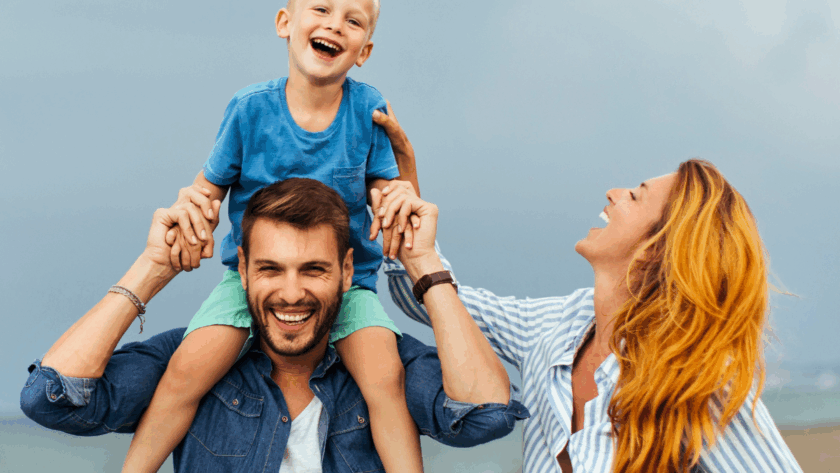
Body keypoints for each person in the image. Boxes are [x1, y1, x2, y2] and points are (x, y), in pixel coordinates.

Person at [20, 177, 527, 472]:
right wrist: (153, 269)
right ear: (241, 270)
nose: (291, 293)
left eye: (314, 269)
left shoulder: (384, 365)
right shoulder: (191, 359)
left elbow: (484, 417)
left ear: (347, 272)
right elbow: (50, 399)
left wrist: (424, 265)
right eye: (270, 269)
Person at [373, 133, 802, 471]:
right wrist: (405, 203)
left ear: (658, 248)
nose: (614, 192)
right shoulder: (556, 326)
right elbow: (437, 304)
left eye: (635, 195)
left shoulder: (701, 380)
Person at [124, 0, 424, 471]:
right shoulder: (250, 109)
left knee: (385, 380)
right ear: (285, 23)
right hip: (252, 284)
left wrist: (399, 196)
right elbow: (208, 188)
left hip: (349, 284)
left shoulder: (368, 109)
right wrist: (191, 214)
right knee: (185, 371)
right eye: (321, 8)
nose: (334, 25)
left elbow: (388, 190)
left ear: (363, 50)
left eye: (352, 20)